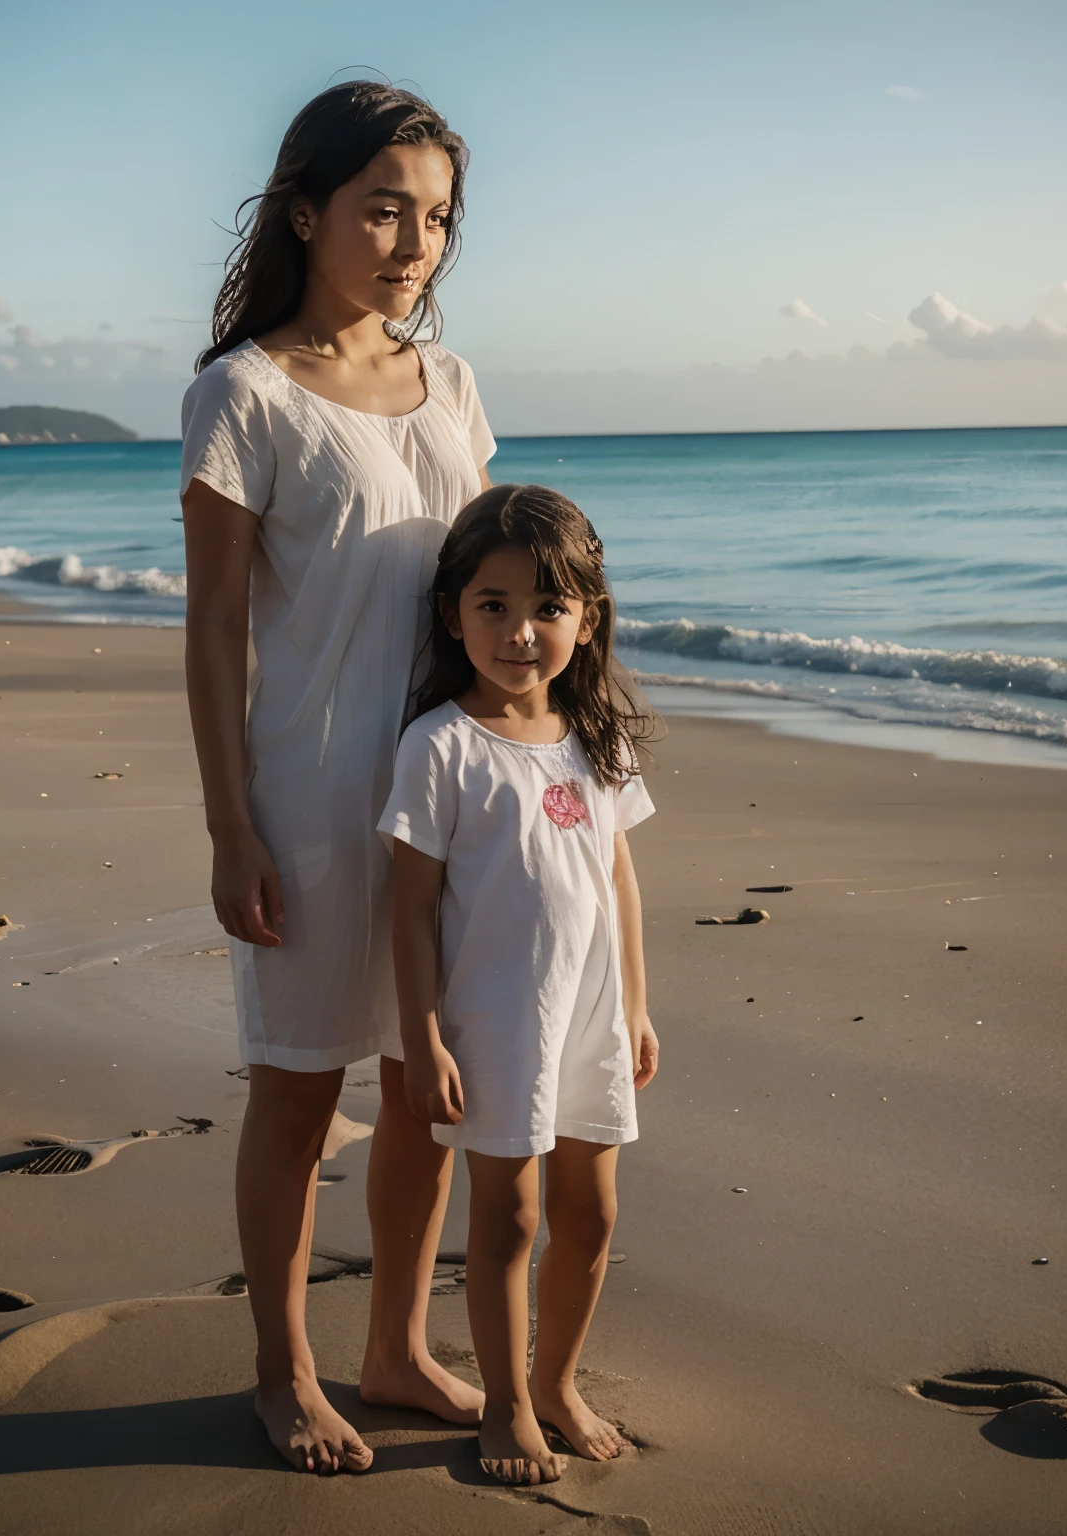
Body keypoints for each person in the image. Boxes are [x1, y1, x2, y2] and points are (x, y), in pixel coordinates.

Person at [179, 82, 495, 1475]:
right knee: (300, 1094)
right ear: (305, 209)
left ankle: (394, 1348)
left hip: (450, 789)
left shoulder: (455, 381)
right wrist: (229, 827)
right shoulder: (241, 394)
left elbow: (489, 591)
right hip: (309, 796)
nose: (412, 240)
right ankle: (282, 1369)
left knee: (436, 1084)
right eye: (383, 207)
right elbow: (213, 631)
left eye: (433, 215)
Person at [380, 484, 660, 1486]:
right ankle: (504, 1406)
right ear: (453, 614)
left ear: (587, 622)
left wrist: (633, 1004)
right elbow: (409, 907)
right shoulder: (440, 747)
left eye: (549, 607)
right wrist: (422, 1036)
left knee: (591, 1216)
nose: (520, 631)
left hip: (588, 1017)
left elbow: (618, 878)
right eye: (492, 605)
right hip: (497, 1023)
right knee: (506, 1219)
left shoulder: (598, 742)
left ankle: (557, 1383)